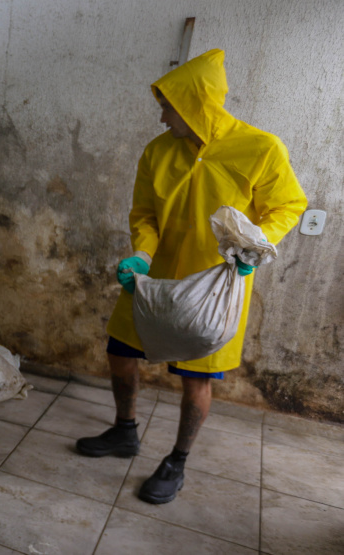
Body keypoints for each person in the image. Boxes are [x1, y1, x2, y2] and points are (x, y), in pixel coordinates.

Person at [76, 49, 307, 504]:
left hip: (217, 283)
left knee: (196, 379)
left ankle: (176, 461)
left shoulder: (261, 148)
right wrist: (141, 254)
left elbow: (288, 206)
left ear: (193, 106)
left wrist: (254, 249)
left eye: (167, 107)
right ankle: (125, 431)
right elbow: (144, 212)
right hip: (154, 280)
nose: (162, 117)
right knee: (120, 352)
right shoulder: (158, 152)